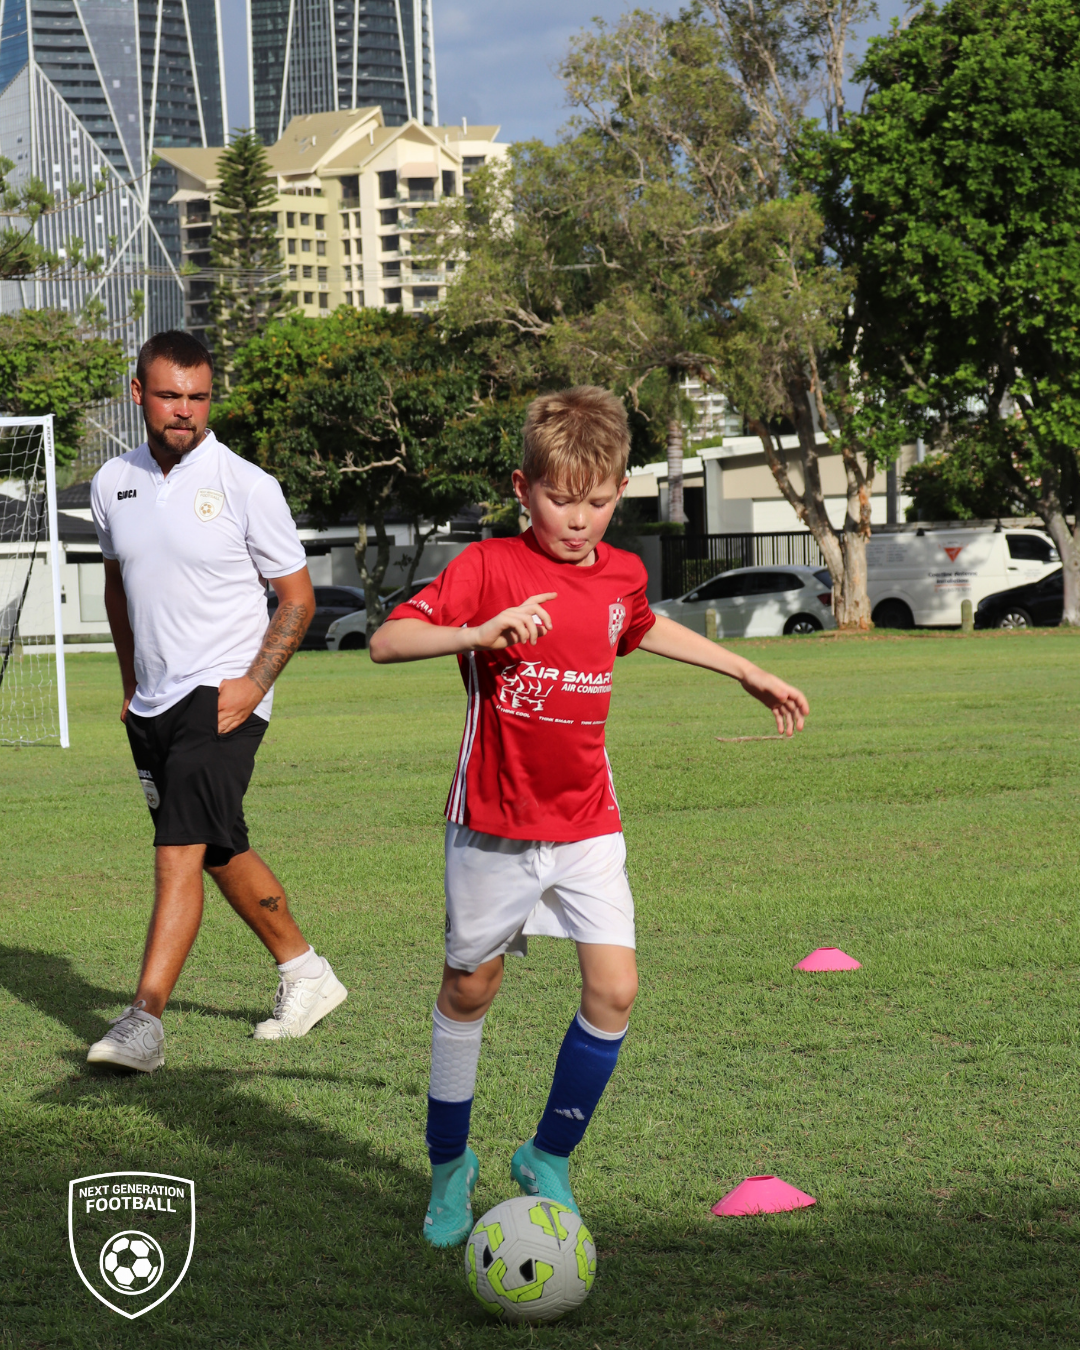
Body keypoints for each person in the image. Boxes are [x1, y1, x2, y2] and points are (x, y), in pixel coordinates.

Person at [368, 385, 809, 1247]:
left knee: (614, 990)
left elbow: (641, 629)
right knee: (471, 988)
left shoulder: (621, 572)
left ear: (620, 491)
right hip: (493, 824)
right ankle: (450, 1162)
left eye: (599, 502)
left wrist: (743, 670)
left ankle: (548, 1154)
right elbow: (388, 640)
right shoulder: (488, 568)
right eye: (561, 499)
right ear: (522, 488)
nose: (580, 520)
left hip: (588, 824)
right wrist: (477, 633)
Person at [85, 331, 346, 1073]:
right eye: (170, 395)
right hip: (154, 701)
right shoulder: (112, 483)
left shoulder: (245, 484)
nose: (186, 412)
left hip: (224, 695)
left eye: (199, 397)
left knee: (175, 853)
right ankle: (305, 972)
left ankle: (144, 1022)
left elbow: (296, 599)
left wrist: (253, 684)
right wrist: (131, 682)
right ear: (138, 393)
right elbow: (118, 587)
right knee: (213, 844)